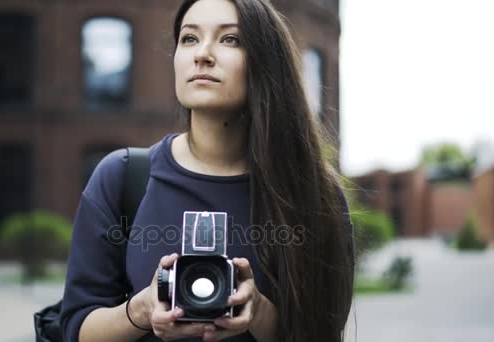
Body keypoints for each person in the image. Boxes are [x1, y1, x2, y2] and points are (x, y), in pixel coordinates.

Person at [60, 0, 355, 341]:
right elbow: (75, 330)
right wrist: (140, 311)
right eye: (189, 39)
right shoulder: (122, 178)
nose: (202, 54)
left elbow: (325, 335)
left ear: (266, 62)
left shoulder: (315, 196)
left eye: (229, 39)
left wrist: (258, 313)